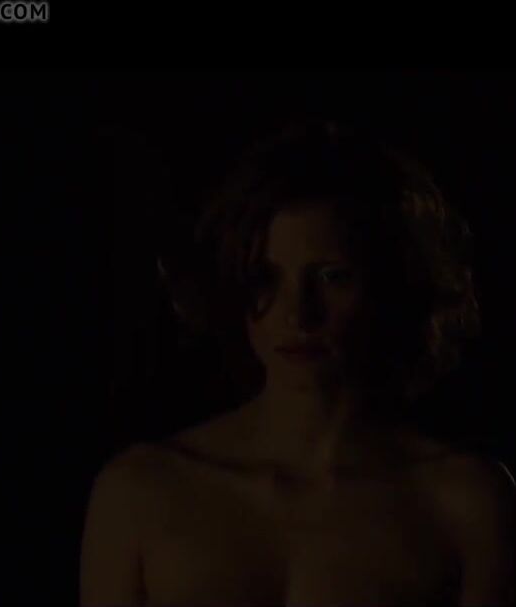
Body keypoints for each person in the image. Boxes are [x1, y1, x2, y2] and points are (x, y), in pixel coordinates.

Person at [79, 121, 515, 607]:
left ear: (391, 282)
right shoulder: (139, 492)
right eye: (265, 277)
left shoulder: (464, 504)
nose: (298, 314)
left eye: (332, 276)